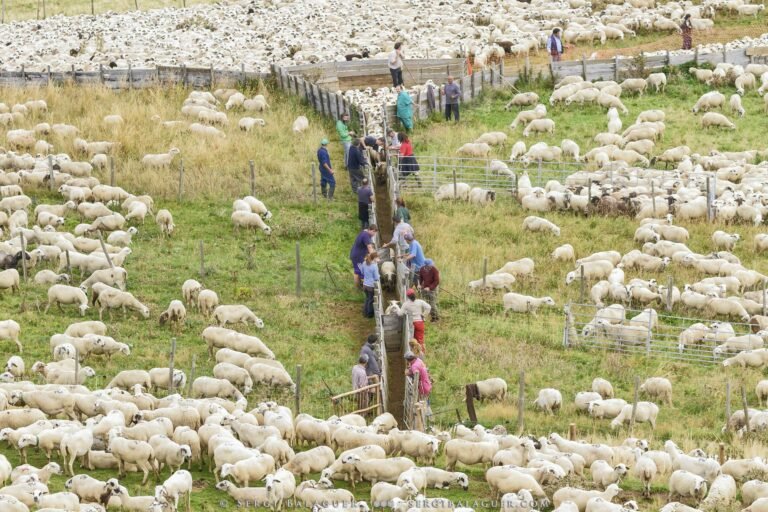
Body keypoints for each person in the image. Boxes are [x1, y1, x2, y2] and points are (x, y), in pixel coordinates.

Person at [361, 252, 380, 318]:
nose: (378, 259)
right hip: (371, 286)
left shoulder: (364, 263)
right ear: (374, 258)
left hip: (365, 285)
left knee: (367, 298)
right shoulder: (374, 266)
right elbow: (376, 277)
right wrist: (379, 276)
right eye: (377, 258)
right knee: (371, 300)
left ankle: (364, 312)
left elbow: (362, 272)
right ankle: (369, 314)